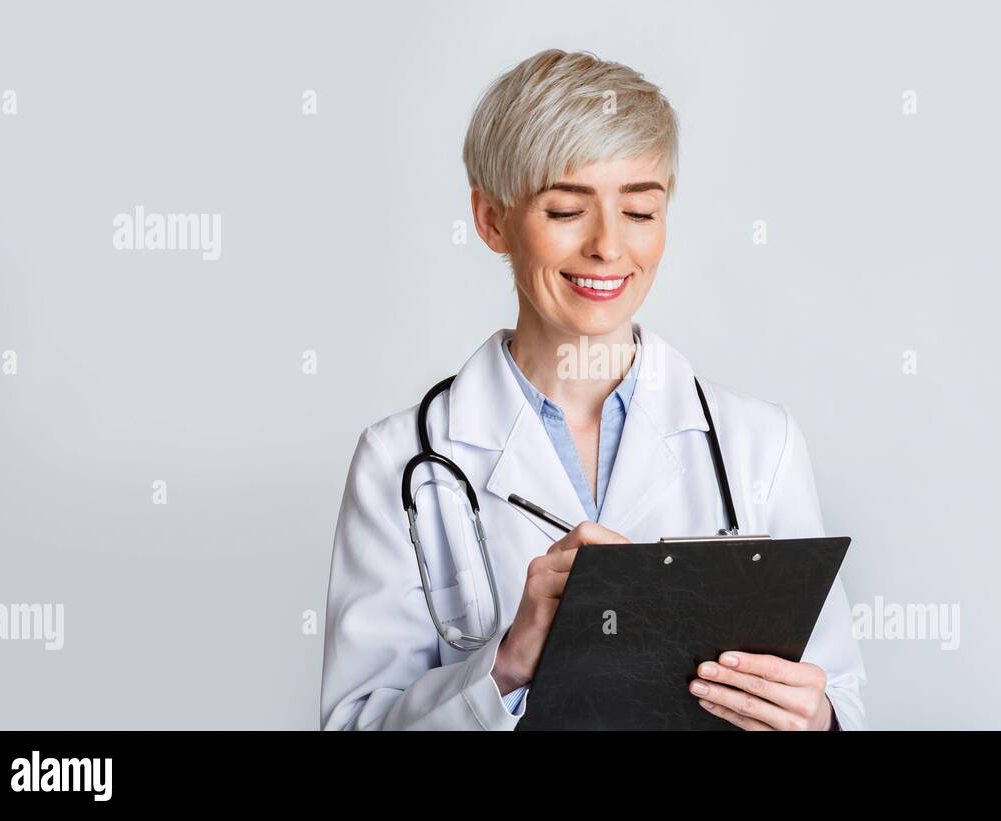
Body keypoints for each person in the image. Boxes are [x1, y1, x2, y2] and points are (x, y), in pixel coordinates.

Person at [320, 49, 865, 730]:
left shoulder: (760, 443)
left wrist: (817, 718)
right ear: (492, 220)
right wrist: (506, 663)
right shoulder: (399, 458)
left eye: (639, 211)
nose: (608, 247)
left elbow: (840, 694)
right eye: (566, 210)